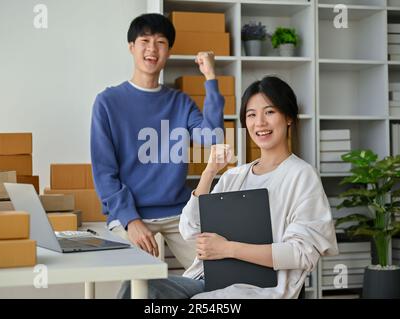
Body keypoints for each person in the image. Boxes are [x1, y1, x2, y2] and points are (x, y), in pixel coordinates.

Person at [117, 76, 339, 299]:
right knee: (137, 287)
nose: (259, 122)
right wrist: (209, 172)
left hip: (258, 290)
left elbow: (302, 253)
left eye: (269, 112)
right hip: (208, 280)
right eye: (251, 115)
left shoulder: (301, 175)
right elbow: (190, 228)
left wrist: (227, 249)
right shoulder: (234, 176)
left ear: (288, 117)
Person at [90, 13, 225, 269]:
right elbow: (104, 172)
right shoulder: (107, 103)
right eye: (145, 40)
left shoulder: (180, 102)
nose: (152, 48)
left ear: (168, 52)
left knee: (217, 272)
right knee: (141, 283)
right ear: (131, 47)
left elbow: (212, 137)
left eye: (161, 42)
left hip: (178, 211)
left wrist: (210, 78)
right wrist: (131, 220)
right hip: (132, 213)